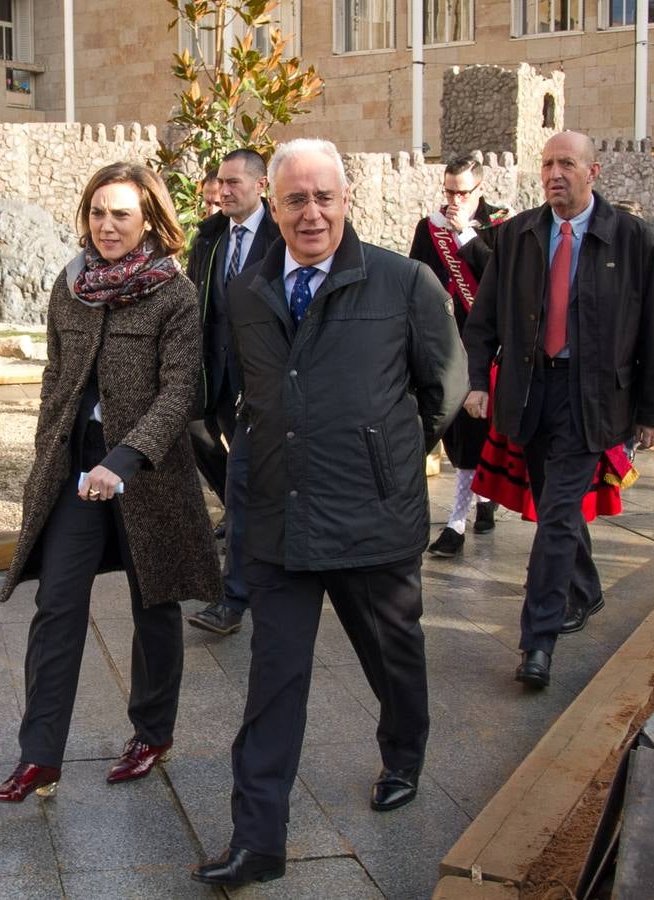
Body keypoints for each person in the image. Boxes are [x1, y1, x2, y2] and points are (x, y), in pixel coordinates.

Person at [192, 139, 467, 888]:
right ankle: (258, 841)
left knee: (392, 657)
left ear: (348, 201)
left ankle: (404, 751)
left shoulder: (403, 283)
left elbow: (442, 390)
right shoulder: (248, 290)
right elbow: (239, 387)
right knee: (272, 683)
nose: (310, 213)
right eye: (294, 200)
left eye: (324, 197)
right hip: (280, 518)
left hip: (370, 517)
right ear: (271, 206)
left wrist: (384, 452)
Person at [0, 163, 221, 803]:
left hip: (145, 469)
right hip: (75, 462)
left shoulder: (174, 292)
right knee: (57, 604)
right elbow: (55, 375)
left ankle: (152, 732)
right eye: (97, 211)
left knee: (156, 600)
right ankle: (40, 757)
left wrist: (123, 460)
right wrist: (47, 453)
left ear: (149, 217)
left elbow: (180, 393)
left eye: (121, 213)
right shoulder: (72, 284)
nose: (107, 224)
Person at [461, 131, 654, 689]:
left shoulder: (630, 239)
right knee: (559, 506)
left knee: (553, 519)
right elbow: (483, 322)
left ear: (593, 172)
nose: (555, 174)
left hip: (592, 396)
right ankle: (588, 586)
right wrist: (478, 382)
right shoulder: (517, 236)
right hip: (530, 392)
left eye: (567, 164)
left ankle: (537, 642)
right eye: (548, 164)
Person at [183, 148, 276, 636]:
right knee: (190, 432)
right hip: (210, 375)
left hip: (257, 386)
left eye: (234, 182)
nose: (224, 189)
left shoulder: (281, 240)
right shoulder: (210, 237)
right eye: (220, 181)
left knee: (244, 486)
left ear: (261, 186)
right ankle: (243, 513)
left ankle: (232, 599)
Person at [408, 155, 509, 557]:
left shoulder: (499, 224)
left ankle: (463, 517)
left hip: (487, 344)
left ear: (478, 190)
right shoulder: (428, 227)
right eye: (448, 190)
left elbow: (499, 277)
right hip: (444, 341)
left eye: (461, 192)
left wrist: (466, 235)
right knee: (456, 432)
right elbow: (417, 275)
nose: (453, 199)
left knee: (478, 430)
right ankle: (474, 508)